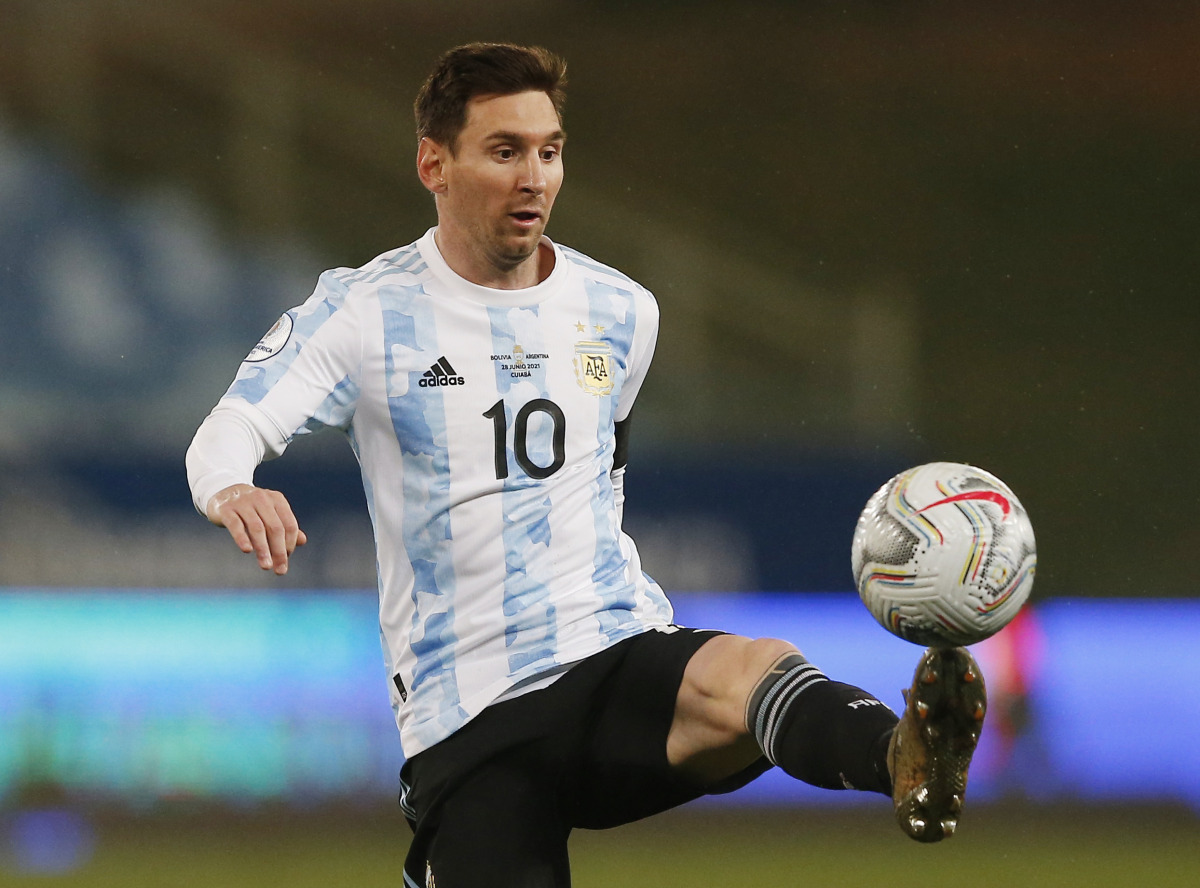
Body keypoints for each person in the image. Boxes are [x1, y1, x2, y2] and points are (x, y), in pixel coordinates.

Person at [186, 42, 988, 887]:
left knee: (754, 671)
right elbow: (231, 425)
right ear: (435, 164)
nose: (534, 176)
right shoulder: (362, 313)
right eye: (504, 152)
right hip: (470, 716)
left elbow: (607, 476)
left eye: (549, 150)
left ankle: (902, 757)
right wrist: (231, 484)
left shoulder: (619, 311)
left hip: (608, 655)